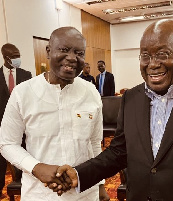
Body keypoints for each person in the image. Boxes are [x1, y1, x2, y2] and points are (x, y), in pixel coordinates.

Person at [48, 19, 173, 201]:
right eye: (145, 56)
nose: (152, 64)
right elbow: (118, 153)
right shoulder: (131, 98)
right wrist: (78, 174)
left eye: (162, 54)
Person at [0, 27, 109, 201]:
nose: (72, 58)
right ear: (49, 51)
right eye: (64, 50)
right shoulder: (23, 93)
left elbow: (95, 143)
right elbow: (7, 143)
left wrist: (101, 184)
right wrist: (37, 167)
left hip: (85, 193)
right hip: (39, 193)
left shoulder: (91, 92)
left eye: (79, 53)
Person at [0, 43, 32, 198]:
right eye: (13, 56)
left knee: (25, 159)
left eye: (18, 55)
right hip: (1, 127)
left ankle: (26, 187)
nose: (17, 58)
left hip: (25, 127)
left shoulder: (26, 75)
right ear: (5, 57)